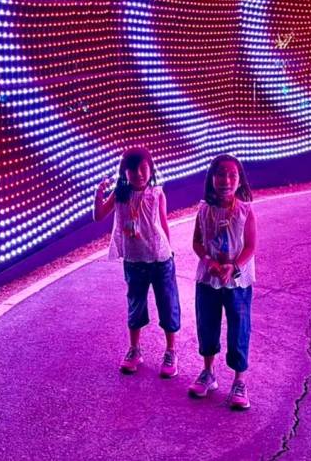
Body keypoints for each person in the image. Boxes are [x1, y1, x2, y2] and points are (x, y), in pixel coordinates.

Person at [93, 147, 180, 377]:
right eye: (132, 169)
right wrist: (98, 194)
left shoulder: (157, 193)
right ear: (124, 172)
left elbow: (163, 223)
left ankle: (171, 351)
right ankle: (134, 350)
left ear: (151, 169)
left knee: (167, 304)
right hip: (134, 261)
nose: (139, 174)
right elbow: (99, 215)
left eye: (143, 168)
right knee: (135, 305)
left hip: (160, 259)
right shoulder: (120, 195)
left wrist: (170, 251)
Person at [188, 153, 257, 409]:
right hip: (208, 279)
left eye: (232, 175)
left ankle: (239, 381)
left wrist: (233, 266)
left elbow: (250, 246)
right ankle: (208, 372)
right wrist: (209, 261)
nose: (225, 180)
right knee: (207, 324)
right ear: (211, 179)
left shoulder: (245, 211)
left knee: (239, 327)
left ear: (240, 180)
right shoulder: (204, 210)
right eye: (220, 174)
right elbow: (197, 241)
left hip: (237, 282)